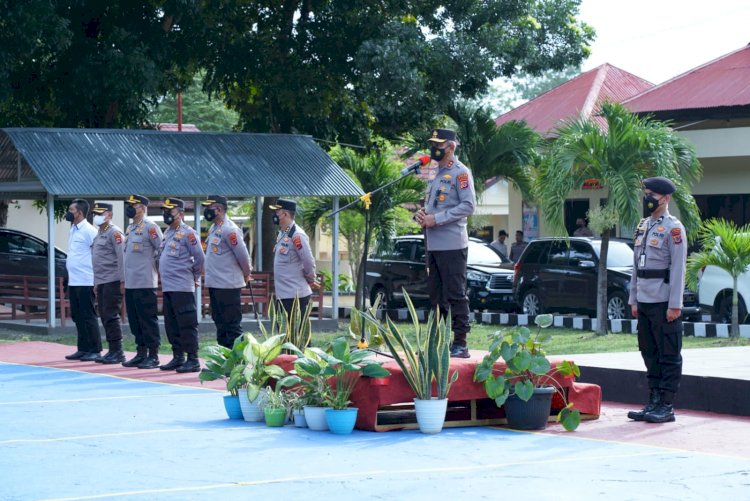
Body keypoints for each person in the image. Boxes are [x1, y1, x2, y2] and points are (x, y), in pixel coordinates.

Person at [628, 176, 687, 424]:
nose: (647, 199)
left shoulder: (674, 228)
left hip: (664, 302)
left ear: (665, 198)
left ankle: (666, 404)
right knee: (649, 352)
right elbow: (635, 266)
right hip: (644, 300)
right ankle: (653, 401)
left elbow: (678, 269)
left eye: (651, 195)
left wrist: (675, 304)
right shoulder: (643, 226)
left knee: (668, 354)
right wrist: (633, 298)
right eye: (646, 194)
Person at [414, 128, 476, 358]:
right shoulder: (435, 174)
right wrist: (422, 215)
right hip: (433, 245)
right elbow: (434, 207)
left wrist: (436, 219)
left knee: (456, 294)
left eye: (439, 145)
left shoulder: (461, 173)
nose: (434, 149)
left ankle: (460, 342)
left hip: (452, 244)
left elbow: (468, 206)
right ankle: (438, 342)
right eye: (433, 145)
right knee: (435, 296)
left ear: (451, 147)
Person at [158, 198, 205, 373]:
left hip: (182, 286)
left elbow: (200, 258)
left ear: (181, 214)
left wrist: (194, 276)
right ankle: (178, 357)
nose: (166, 214)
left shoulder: (189, 233)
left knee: (187, 323)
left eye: (170, 211)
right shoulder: (167, 232)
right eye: (165, 211)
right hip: (168, 286)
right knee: (171, 324)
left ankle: (192, 359)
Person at [202, 195, 252, 348]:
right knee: (220, 323)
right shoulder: (214, 228)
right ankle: (224, 360)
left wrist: (246, 273)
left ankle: (237, 363)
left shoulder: (230, 229)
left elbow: (243, 256)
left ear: (218, 209)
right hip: (216, 284)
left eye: (209, 208)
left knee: (231, 326)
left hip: (228, 285)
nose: (206, 211)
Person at [122, 194, 163, 369]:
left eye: (134, 205)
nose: (130, 208)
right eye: (128, 205)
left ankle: (153, 355)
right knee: (135, 319)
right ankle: (141, 352)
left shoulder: (150, 227)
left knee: (148, 319)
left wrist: (157, 271)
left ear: (143, 208)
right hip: (131, 282)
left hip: (146, 281)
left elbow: (161, 250)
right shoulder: (130, 228)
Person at [64, 199, 103, 361]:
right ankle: (83, 347)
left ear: (79, 213)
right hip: (74, 280)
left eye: (71, 210)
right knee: (77, 315)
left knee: (88, 315)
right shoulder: (73, 229)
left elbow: (98, 255)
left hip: (86, 280)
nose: (68, 213)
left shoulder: (89, 231)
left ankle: (95, 349)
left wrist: (96, 280)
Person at [90, 202, 125, 364]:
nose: (96, 216)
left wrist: (123, 280)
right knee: (104, 315)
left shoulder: (115, 233)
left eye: (100, 213)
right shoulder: (99, 233)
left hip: (113, 280)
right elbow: (98, 261)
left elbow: (121, 258)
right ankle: (111, 350)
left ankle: (117, 351)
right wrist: (96, 282)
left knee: (111, 315)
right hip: (102, 280)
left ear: (109, 215)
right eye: (95, 213)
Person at [270, 199, 318, 315]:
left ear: (285, 214)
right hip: (283, 294)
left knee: (294, 332)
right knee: (283, 330)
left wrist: (311, 279)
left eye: (277, 212)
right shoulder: (283, 233)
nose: (274, 215)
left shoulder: (297, 235)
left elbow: (308, 261)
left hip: (295, 295)